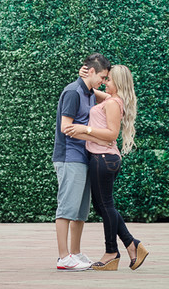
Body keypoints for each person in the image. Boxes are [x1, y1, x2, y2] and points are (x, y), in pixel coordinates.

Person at [65, 64, 149, 271]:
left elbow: (112, 134)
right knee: (103, 206)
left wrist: (85, 128)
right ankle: (132, 244)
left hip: (104, 158)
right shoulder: (111, 99)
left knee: (106, 206)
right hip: (102, 158)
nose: (105, 82)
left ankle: (112, 252)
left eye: (109, 80)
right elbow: (90, 89)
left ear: (118, 83)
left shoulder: (113, 103)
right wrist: (84, 76)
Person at [52, 52, 111, 271]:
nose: (104, 83)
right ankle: (63, 257)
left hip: (83, 157)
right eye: (102, 78)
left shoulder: (88, 93)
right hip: (69, 157)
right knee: (67, 208)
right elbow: (65, 127)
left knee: (80, 211)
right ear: (92, 71)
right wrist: (95, 137)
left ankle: (75, 254)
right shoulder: (73, 92)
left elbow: (113, 99)